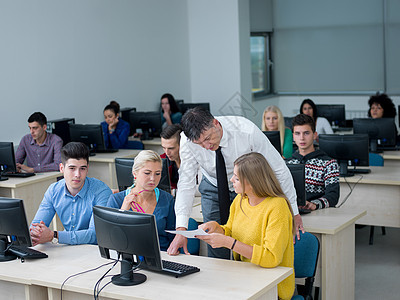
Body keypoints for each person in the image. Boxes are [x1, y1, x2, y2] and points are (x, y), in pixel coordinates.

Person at [167, 107, 302, 258]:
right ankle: (221, 279)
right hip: (213, 186)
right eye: (199, 143)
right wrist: (181, 229)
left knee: (249, 239)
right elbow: (186, 182)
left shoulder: (247, 131)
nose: (207, 146)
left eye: (207, 138)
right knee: (213, 240)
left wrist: (294, 211)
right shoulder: (187, 140)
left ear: (216, 123)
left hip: (248, 190)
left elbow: (279, 169)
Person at [196, 152, 295, 300]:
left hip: (273, 286)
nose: (231, 180)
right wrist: (218, 228)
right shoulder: (240, 200)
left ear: (251, 181)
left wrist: (228, 242)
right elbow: (232, 231)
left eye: (236, 177)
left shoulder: (277, 207)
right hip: (244, 276)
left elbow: (271, 258)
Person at [30, 142, 112, 245]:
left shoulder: (102, 192)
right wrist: (36, 234)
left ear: (87, 169)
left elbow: (94, 235)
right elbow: (35, 226)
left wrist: (54, 236)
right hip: (68, 248)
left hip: (94, 251)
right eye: (72, 168)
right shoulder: (53, 190)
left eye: (82, 168)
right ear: (61, 168)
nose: (77, 174)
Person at [106, 150, 175, 251]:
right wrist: (123, 211)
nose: (153, 179)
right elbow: (111, 240)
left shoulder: (167, 199)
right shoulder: (116, 200)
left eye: (157, 173)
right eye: (147, 173)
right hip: (129, 256)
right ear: (135, 173)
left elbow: (173, 238)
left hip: (162, 256)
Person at [286, 114, 340, 210]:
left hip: (319, 213)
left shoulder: (329, 164)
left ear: (315, 135)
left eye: (306, 133)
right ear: (293, 136)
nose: (302, 138)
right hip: (292, 212)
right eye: (297, 133)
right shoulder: (286, 164)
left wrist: (314, 204)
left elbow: (333, 196)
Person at [160, 124, 182, 191]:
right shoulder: (161, 160)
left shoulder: (195, 161)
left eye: (171, 148)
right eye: (164, 148)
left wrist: (174, 191)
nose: (167, 153)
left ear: (182, 145)